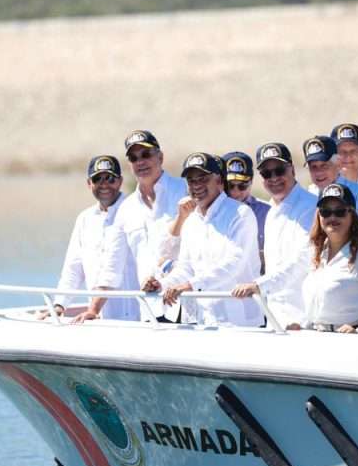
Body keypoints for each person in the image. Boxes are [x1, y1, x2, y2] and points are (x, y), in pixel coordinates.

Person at [146, 152, 263, 326]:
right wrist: (162, 285)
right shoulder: (191, 220)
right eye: (192, 181)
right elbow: (185, 267)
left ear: (220, 181)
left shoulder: (240, 214)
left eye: (203, 179)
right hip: (197, 320)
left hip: (236, 321)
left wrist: (190, 285)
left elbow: (234, 263)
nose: (197, 185)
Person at [230, 142, 318, 328]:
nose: (274, 178)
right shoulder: (272, 210)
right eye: (267, 173)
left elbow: (304, 259)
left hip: (304, 317)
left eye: (279, 170)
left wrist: (260, 285)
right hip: (275, 316)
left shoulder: (311, 206)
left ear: (292, 170)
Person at [43, 155, 140, 322]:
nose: (104, 184)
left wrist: (93, 310)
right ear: (89, 183)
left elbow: (112, 269)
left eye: (110, 178)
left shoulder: (133, 210)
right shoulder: (85, 219)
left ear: (120, 181)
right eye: (97, 179)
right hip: (97, 320)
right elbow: (73, 270)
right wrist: (59, 306)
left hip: (136, 319)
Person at [106, 129, 189, 307]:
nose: (140, 162)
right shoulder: (126, 208)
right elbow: (112, 266)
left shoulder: (186, 189)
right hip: (149, 308)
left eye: (146, 154)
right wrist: (93, 309)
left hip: (188, 304)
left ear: (160, 157)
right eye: (134, 158)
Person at [301, 183, 358, 334]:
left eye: (340, 212)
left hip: (354, 340)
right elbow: (316, 305)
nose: (332, 217)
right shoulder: (316, 252)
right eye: (326, 212)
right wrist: (302, 326)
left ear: (352, 215)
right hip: (318, 337)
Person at [302, 135, 358, 244]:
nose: (319, 173)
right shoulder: (308, 195)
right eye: (313, 167)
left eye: (324, 166)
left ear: (338, 163)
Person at [222, 151, 270, 271]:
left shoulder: (267, 212)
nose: (235, 192)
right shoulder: (209, 212)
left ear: (251, 182)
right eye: (230, 186)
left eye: (242, 186)